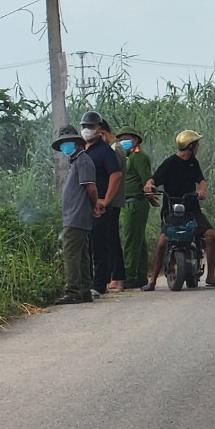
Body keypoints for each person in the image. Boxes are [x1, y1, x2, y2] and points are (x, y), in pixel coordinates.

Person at [141, 129, 215, 290]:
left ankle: (211, 276)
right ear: (191, 146)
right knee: (162, 243)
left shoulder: (193, 162)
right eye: (197, 144)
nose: (198, 147)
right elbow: (154, 179)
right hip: (171, 212)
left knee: (212, 236)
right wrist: (149, 185)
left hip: (192, 210)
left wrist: (202, 190)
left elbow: (201, 180)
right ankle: (152, 281)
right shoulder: (170, 162)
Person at [51, 125, 100, 305]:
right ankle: (84, 290)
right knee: (81, 254)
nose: (65, 146)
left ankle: (73, 290)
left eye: (68, 142)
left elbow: (91, 188)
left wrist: (95, 205)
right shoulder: (77, 161)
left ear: (77, 143)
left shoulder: (82, 161)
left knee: (71, 253)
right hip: (76, 216)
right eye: (63, 143)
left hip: (76, 216)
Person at [80, 111, 123, 297]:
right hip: (85, 205)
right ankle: (87, 282)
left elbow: (116, 174)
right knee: (87, 245)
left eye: (90, 127)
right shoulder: (82, 150)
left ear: (99, 130)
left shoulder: (105, 151)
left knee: (100, 245)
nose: (87, 130)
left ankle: (99, 284)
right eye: (84, 127)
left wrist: (106, 200)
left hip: (100, 205)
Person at [116, 128, 156, 289]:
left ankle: (130, 275)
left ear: (135, 140)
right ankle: (140, 275)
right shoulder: (129, 157)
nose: (123, 142)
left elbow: (146, 179)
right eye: (121, 139)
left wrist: (150, 195)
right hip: (130, 202)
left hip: (135, 202)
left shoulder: (138, 157)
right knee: (138, 239)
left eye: (127, 139)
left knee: (131, 239)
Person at [98, 120, 129, 291]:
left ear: (102, 132)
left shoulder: (115, 149)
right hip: (113, 199)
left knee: (112, 239)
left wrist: (107, 198)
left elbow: (114, 175)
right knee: (110, 238)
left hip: (112, 200)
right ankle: (114, 276)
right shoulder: (116, 148)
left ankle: (118, 277)